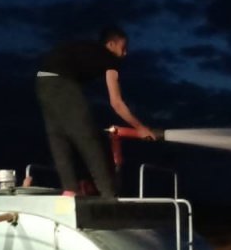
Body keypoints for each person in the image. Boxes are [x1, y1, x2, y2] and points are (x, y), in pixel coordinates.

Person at [35, 25, 161, 198]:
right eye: (123, 48)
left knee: (58, 136)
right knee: (89, 138)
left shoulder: (88, 50)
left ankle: (70, 190)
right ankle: (108, 194)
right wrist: (140, 127)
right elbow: (116, 103)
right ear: (110, 45)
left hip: (42, 82)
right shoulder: (109, 60)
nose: (125, 54)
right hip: (62, 84)